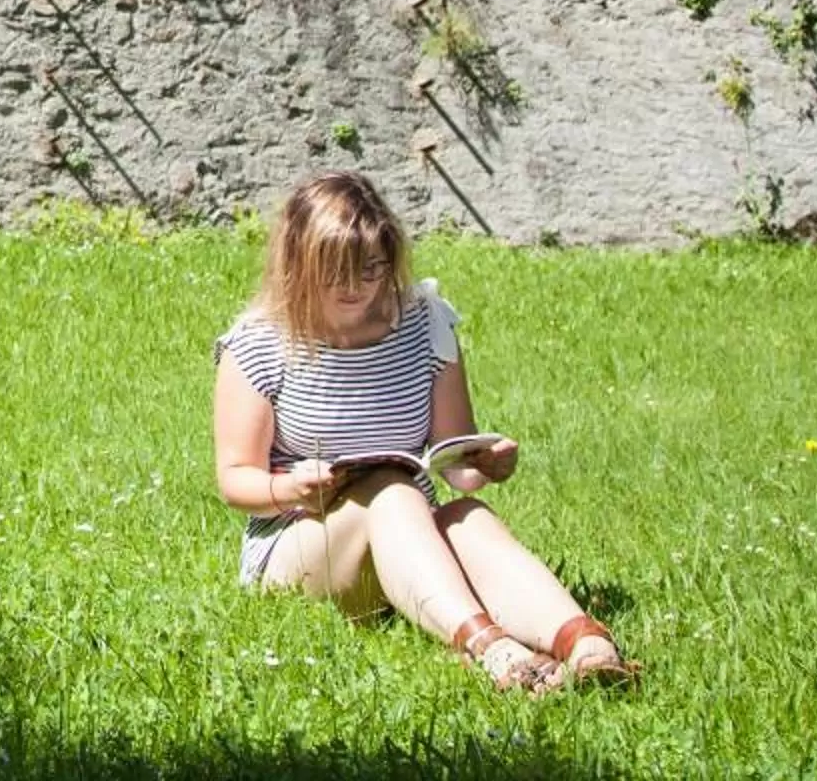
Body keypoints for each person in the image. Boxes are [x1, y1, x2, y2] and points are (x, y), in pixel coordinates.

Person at [209, 171, 634, 691]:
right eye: (337, 271)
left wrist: (485, 462)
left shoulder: (423, 322)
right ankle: (497, 654)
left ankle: (588, 647)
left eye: (371, 269)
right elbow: (235, 480)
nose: (355, 287)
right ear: (299, 262)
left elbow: (459, 469)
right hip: (299, 544)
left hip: (409, 535)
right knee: (391, 491)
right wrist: (290, 487)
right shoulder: (258, 343)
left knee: (468, 516)